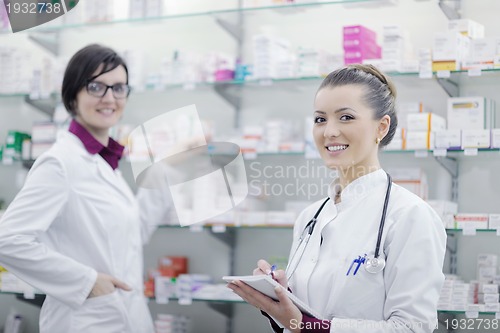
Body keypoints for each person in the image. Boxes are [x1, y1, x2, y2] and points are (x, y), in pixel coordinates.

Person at [228, 64, 447, 333]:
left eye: (345, 117)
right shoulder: (310, 216)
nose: (329, 131)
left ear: (381, 127)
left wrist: (306, 325)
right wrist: (280, 298)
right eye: (320, 119)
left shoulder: (410, 215)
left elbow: (413, 328)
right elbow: (301, 318)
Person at [0, 44, 157, 333]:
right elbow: (7, 240)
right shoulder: (60, 162)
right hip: (86, 320)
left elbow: (131, 237)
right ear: (73, 93)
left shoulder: (102, 161)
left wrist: (163, 173)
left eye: (119, 88)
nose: (109, 98)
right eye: (96, 86)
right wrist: (86, 282)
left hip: (128, 316)